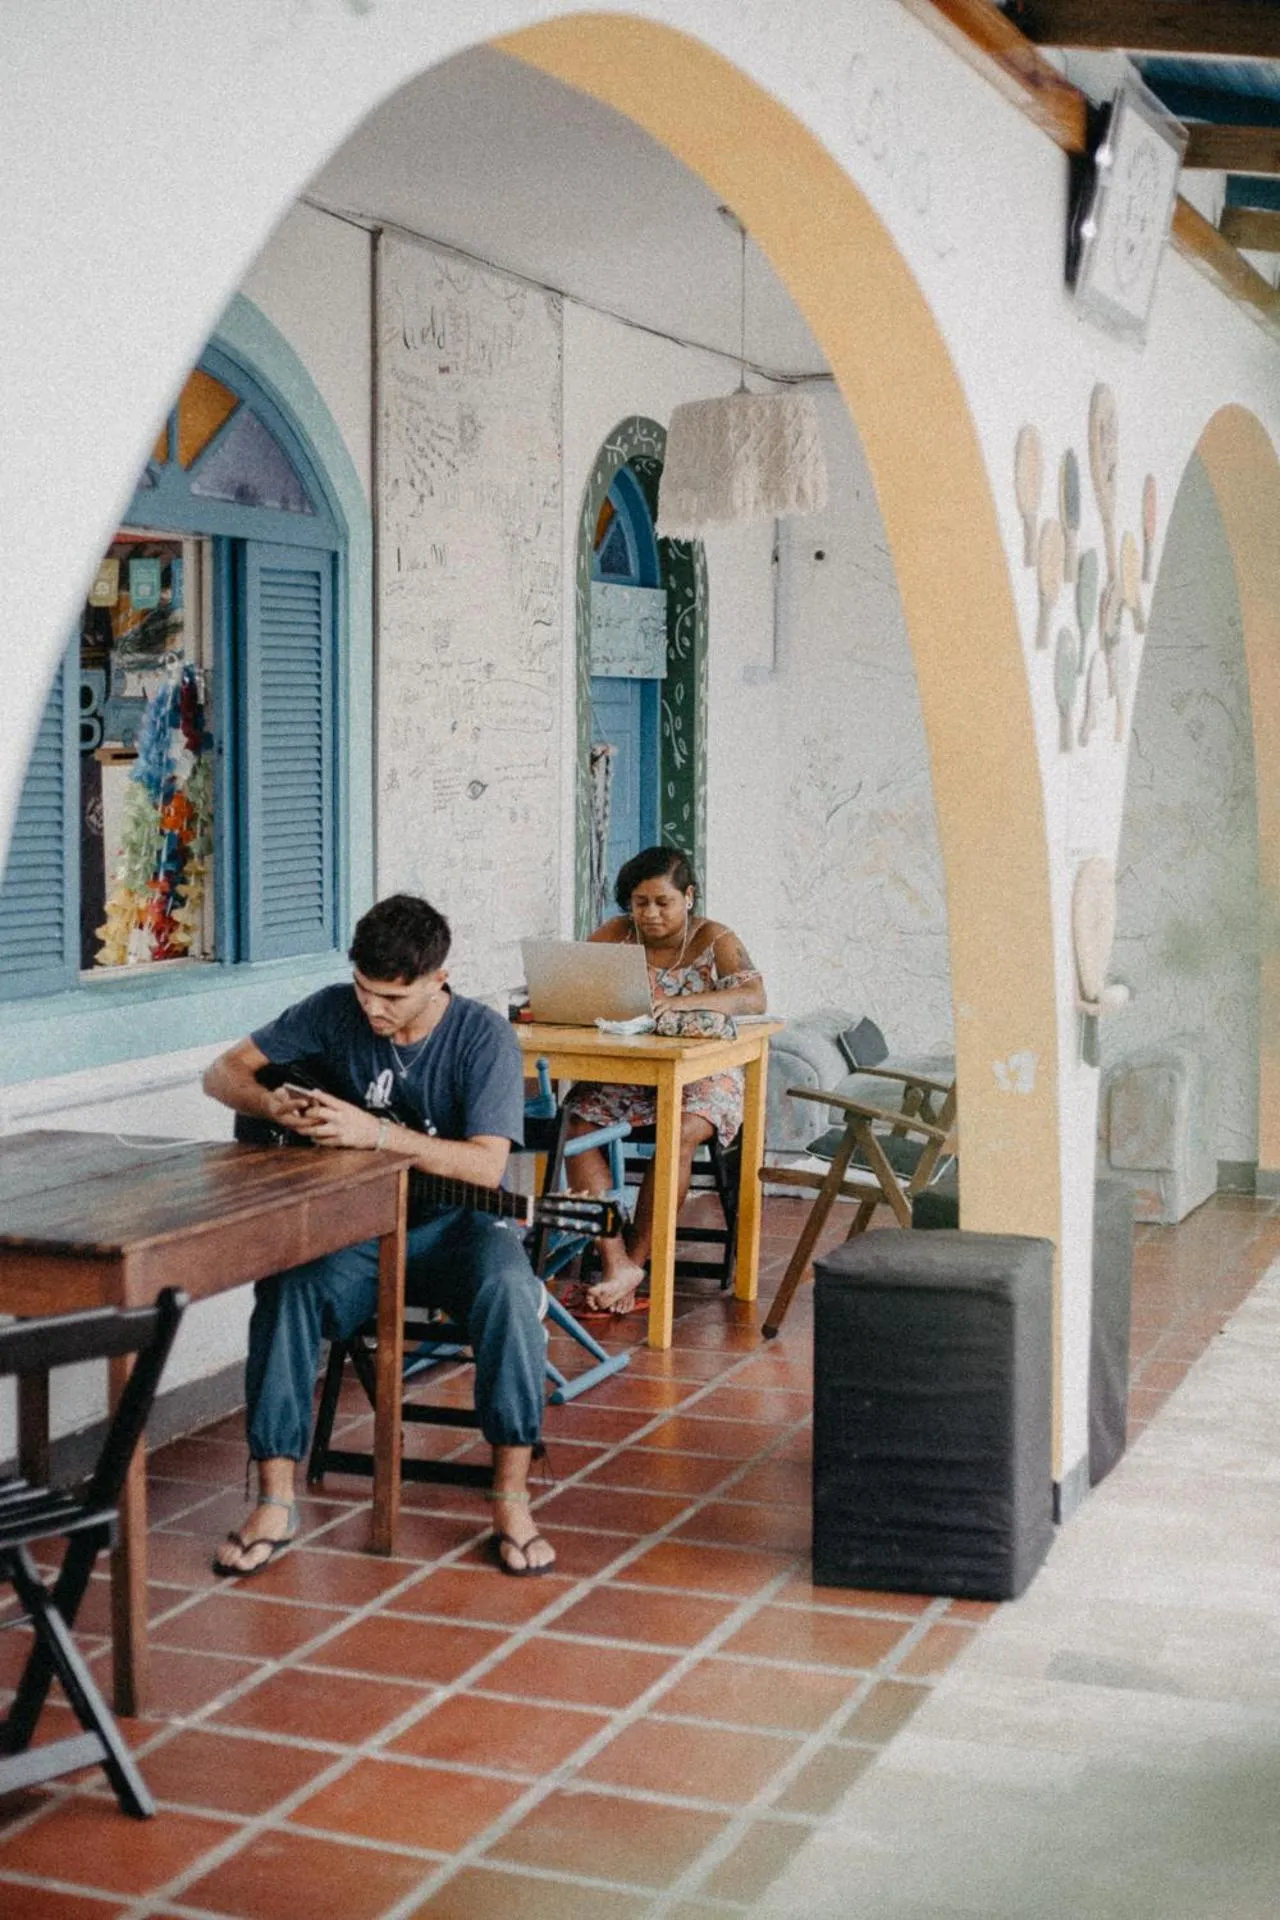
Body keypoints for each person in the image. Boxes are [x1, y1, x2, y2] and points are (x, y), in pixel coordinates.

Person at [202, 892, 555, 1577]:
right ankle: (275, 1497)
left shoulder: (482, 1037)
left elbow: (485, 1165)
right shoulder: (334, 1009)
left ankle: (512, 1496)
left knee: (512, 1293)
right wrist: (268, 1101)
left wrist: (378, 1135)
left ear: (438, 979)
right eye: (365, 989)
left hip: (458, 1228)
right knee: (285, 1288)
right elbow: (221, 1073)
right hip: (359, 1230)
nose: (373, 1010)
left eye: (392, 997)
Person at [563, 846, 766, 1315]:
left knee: (680, 1129)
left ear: (688, 897)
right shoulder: (616, 934)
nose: (650, 914)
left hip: (705, 1075)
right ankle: (614, 1260)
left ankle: (632, 1264)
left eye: (663, 902)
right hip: (634, 1074)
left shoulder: (716, 939)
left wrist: (688, 1005)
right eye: (640, 903)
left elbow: (755, 996)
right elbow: (572, 980)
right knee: (576, 1125)